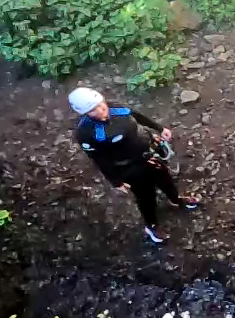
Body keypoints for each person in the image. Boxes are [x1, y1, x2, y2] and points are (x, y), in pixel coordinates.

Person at [68, 87, 198, 245]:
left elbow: (136, 116)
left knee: (166, 179)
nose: (102, 110)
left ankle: (175, 199)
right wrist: (115, 181)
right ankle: (151, 225)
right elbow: (98, 158)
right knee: (146, 197)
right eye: (93, 110)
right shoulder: (86, 133)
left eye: (101, 104)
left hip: (149, 153)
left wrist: (159, 128)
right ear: (84, 113)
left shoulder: (115, 107)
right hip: (130, 167)